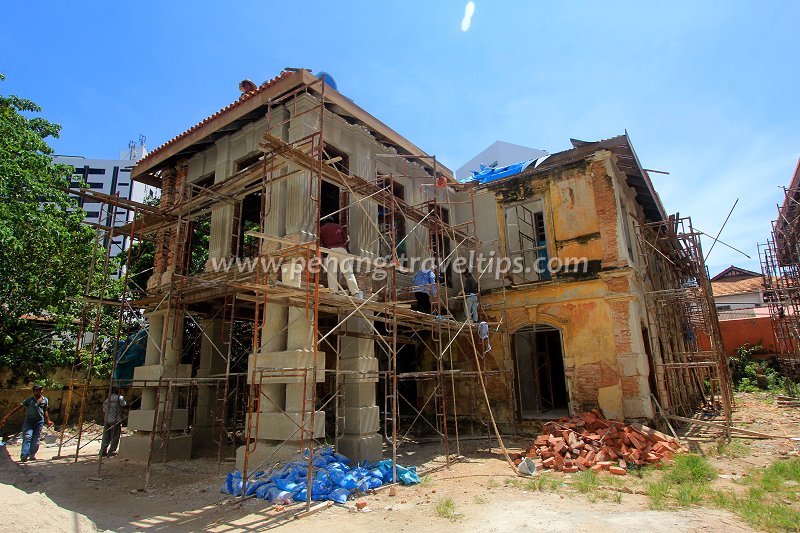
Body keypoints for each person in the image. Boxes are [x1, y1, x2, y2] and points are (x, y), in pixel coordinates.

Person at [0, 384, 53, 462]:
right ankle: (24, 454)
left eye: (40, 390)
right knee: (27, 436)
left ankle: (32, 454)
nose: (39, 392)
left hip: (39, 422)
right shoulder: (29, 400)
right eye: (37, 390)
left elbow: (45, 411)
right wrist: (6, 417)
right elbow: (17, 408)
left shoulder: (45, 400)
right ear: (34, 392)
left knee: (36, 440)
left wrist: (48, 420)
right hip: (29, 422)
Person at [319, 217, 363, 299]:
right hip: (342, 250)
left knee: (332, 273)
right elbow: (346, 239)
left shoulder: (322, 229)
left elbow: (319, 241)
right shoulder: (338, 227)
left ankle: (333, 292)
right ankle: (355, 292)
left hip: (331, 250)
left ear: (325, 222)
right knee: (348, 272)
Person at [100, 385, 127, 458]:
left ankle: (103, 450)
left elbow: (104, 410)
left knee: (106, 435)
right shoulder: (119, 398)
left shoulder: (106, 400)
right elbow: (124, 406)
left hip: (107, 419)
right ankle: (112, 451)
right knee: (115, 435)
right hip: (115, 419)